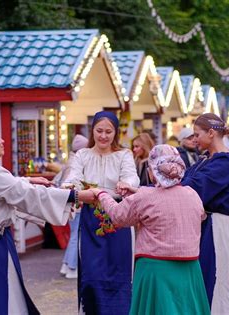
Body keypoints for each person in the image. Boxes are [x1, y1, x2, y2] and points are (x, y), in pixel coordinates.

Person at [0, 120, 94, 314]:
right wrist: (74, 195)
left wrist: (27, 179)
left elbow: (1, 188)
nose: (2, 141)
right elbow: (28, 195)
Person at [88, 145, 210, 314]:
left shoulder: (145, 197)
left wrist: (102, 195)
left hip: (155, 268)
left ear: (153, 171)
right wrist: (138, 193)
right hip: (189, 268)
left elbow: (118, 216)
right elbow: (198, 214)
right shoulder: (192, 194)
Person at [63, 111, 139, 315]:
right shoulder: (83, 155)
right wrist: (70, 186)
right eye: (99, 131)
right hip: (91, 220)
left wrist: (126, 184)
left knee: (119, 269)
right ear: (92, 131)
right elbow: (74, 177)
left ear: (115, 133)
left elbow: (132, 177)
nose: (103, 136)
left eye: (108, 131)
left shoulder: (124, 155)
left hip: (118, 218)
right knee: (92, 269)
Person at [180, 113, 229, 315]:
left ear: (211, 132)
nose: (195, 138)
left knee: (214, 282)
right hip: (203, 226)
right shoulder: (207, 160)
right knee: (199, 281)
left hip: (215, 227)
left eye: (197, 134)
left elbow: (194, 186)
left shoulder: (225, 163)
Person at [54, 134, 89, 279]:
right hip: (76, 203)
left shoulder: (70, 162)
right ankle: (72, 267)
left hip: (70, 203)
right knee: (76, 235)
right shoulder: (77, 163)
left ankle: (67, 264)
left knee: (74, 234)